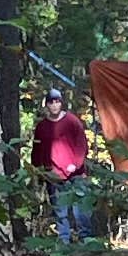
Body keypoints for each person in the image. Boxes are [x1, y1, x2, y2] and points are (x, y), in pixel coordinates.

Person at [33, 88, 93, 243]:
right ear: (46, 105)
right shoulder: (42, 127)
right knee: (60, 211)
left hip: (76, 174)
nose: (54, 105)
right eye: (51, 102)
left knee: (81, 209)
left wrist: (75, 164)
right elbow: (37, 150)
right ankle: (64, 241)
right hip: (54, 175)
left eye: (57, 101)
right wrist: (38, 171)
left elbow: (82, 145)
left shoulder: (72, 121)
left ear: (61, 102)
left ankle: (85, 240)